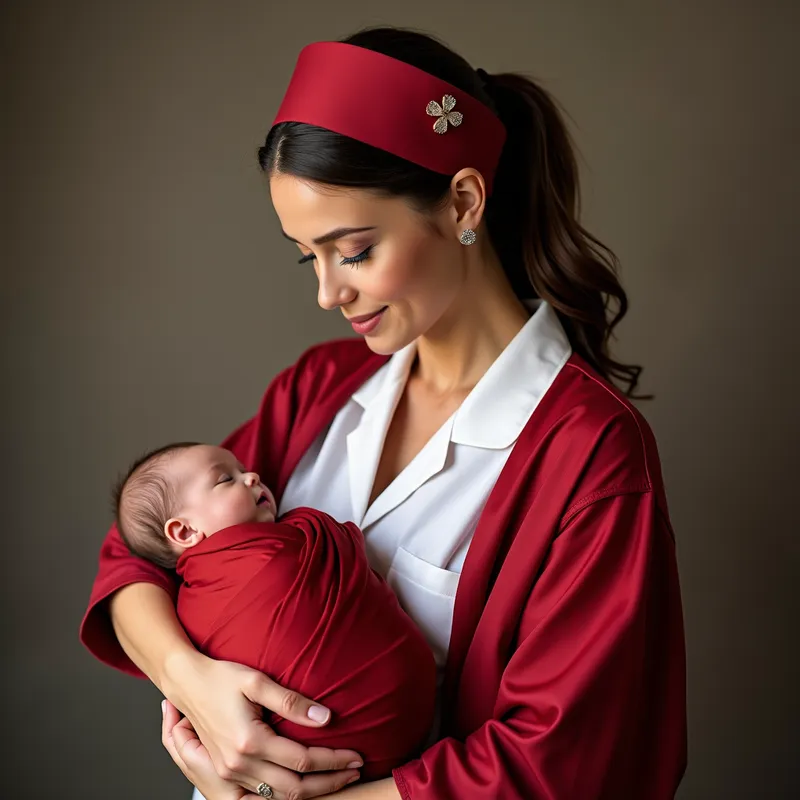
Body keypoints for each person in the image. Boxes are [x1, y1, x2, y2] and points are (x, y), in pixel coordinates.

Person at [81, 26, 687, 800]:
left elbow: (565, 760)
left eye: (355, 250)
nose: (328, 293)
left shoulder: (589, 453)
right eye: (310, 256)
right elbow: (138, 548)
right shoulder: (319, 388)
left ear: (464, 200)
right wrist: (190, 679)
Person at [111, 441, 436, 782]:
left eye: (242, 470)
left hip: (389, 777)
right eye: (226, 479)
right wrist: (179, 669)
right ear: (184, 531)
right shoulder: (210, 597)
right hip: (273, 767)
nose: (251, 476)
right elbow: (121, 553)